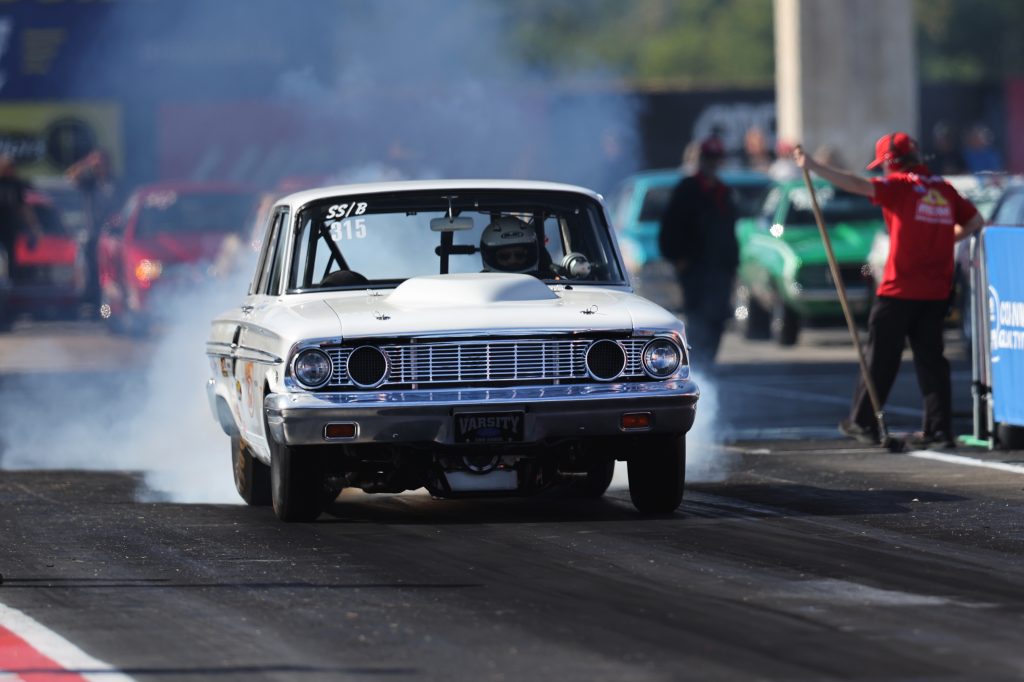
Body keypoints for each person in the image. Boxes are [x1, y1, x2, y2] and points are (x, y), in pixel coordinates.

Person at [795, 132, 984, 448]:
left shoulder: (900, 186)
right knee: (932, 361)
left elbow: (855, 184)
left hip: (899, 289)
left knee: (881, 358)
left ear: (892, 163)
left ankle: (863, 422)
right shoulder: (943, 188)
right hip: (936, 290)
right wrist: (943, 238)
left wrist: (813, 166)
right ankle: (939, 430)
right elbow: (976, 221)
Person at [659, 136, 738, 369]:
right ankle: (696, 366)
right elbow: (670, 228)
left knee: (717, 319)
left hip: (720, 269)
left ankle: (708, 364)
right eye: (708, 158)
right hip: (696, 269)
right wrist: (679, 259)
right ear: (700, 159)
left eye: (716, 158)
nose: (712, 163)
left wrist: (732, 264)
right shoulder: (687, 188)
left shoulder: (724, 192)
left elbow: (729, 231)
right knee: (698, 318)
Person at [65, 149, 120, 312]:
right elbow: (70, 177)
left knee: (112, 274)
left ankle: (111, 309)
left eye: (102, 162)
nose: (100, 166)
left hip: (114, 236)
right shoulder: (90, 182)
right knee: (95, 274)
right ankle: (100, 310)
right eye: (97, 163)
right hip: (94, 236)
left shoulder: (116, 183)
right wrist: (86, 163)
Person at [0, 154, 43, 280]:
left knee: (11, 255)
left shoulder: (16, 184)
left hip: (9, 227)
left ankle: (10, 281)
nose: (9, 169)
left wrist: (34, 226)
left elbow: (23, 207)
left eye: (11, 166)